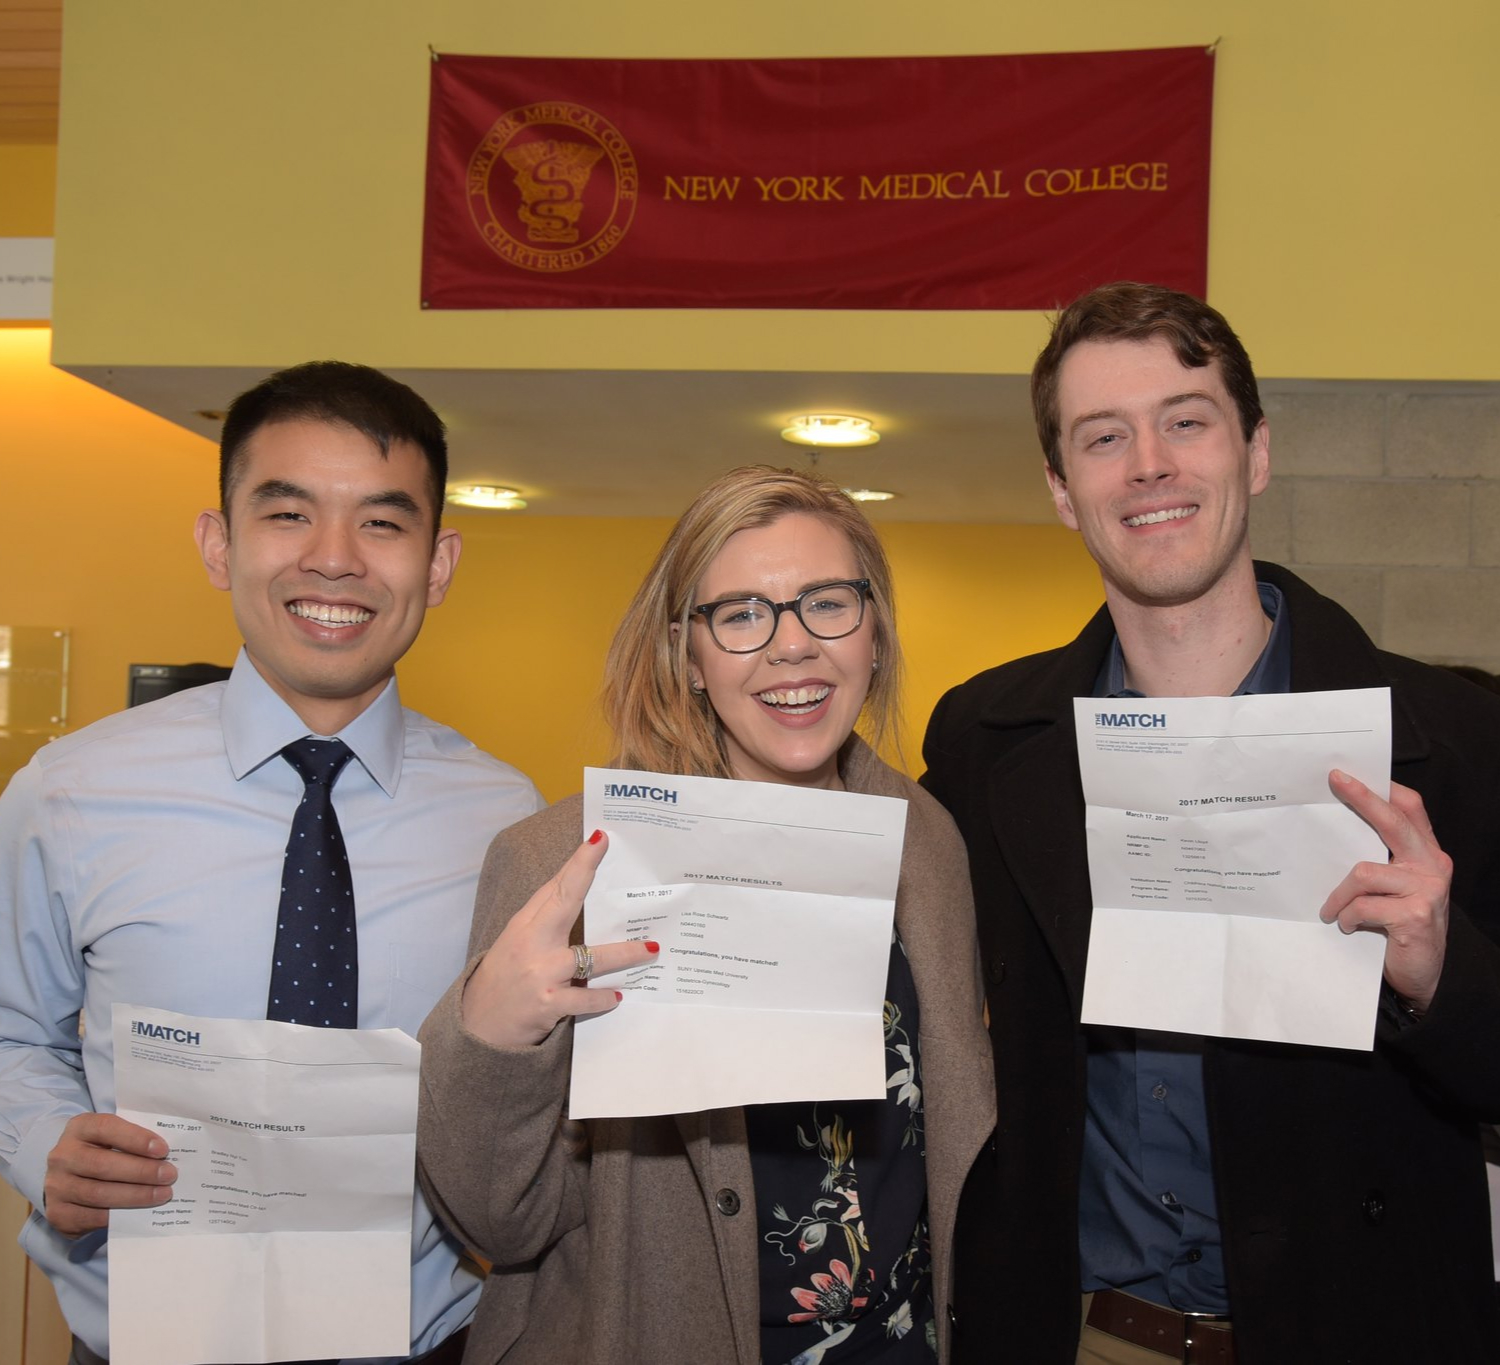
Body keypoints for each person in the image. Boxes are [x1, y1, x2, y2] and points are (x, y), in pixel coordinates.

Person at [922, 282, 1500, 1365]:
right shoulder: (985, 744)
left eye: (1186, 421)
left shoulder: (1460, 739)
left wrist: (1441, 973)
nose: (1149, 464)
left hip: (1364, 1333)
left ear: (1256, 452)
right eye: (1104, 437)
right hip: (1087, 1339)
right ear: (1061, 489)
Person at [0, 361, 542, 1364]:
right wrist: (43, 1144)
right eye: (288, 514)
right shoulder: (67, 794)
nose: (334, 561)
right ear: (220, 542)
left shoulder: (508, 825)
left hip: (426, 1344)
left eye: (383, 523)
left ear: (438, 562)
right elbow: (9, 1031)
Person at [417, 466, 995, 1364]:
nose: (792, 646)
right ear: (685, 653)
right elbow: (505, 1220)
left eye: (827, 603)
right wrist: (487, 1041)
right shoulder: (564, 863)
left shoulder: (926, 838)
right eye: (741, 614)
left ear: (873, 629)